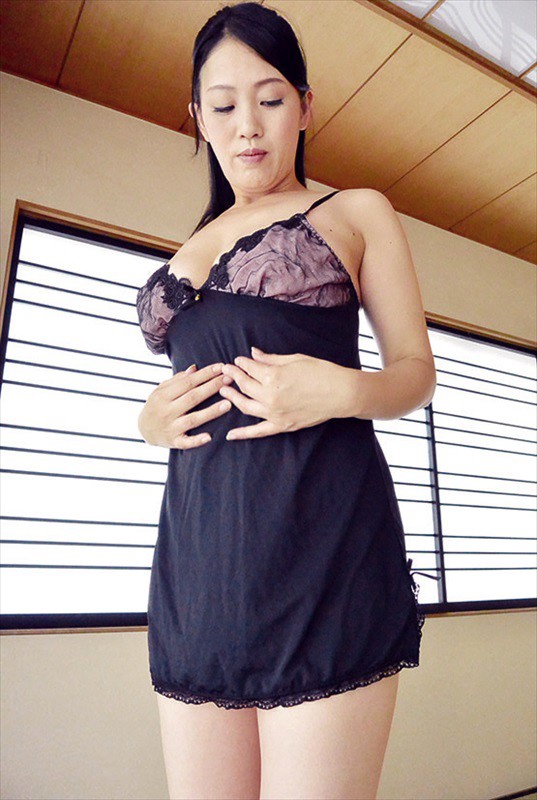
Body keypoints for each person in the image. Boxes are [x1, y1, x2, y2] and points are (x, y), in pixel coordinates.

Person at [135, 2, 437, 798]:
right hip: (198, 566)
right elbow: (184, 383)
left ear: (304, 106)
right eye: (223, 106)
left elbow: (415, 371)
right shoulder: (191, 244)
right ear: (197, 117)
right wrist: (147, 420)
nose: (247, 126)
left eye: (269, 99)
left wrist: (343, 388)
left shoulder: (354, 211)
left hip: (322, 555)